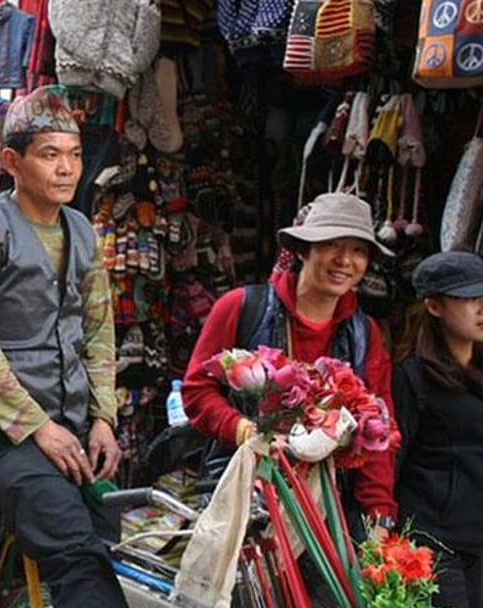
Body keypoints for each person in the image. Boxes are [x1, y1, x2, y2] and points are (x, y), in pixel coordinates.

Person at [0, 86, 127, 607]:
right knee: (78, 555)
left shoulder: (83, 231)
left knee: (113, 539)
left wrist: (103, 418)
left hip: (70, 425)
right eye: (50, 155)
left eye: (74, 155)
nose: (67, 169)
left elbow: (98, 331)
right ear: (12, 162)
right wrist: (38, 429)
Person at [182, 192, 399, 604]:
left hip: (327, 514)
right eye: (332, 245)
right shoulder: (241, 307)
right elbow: (197, 391)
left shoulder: (365, 334)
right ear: (302, 250)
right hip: (247, 502)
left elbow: (377, 431)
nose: (345, 260)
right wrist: (247, 430)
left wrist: (378, 516)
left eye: (357, 251)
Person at [393, 251, 483, 608]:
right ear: (433, 306)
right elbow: (392, 461)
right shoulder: (412, 378)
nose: (481, 308)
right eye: (468, 298)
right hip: (438, 548)